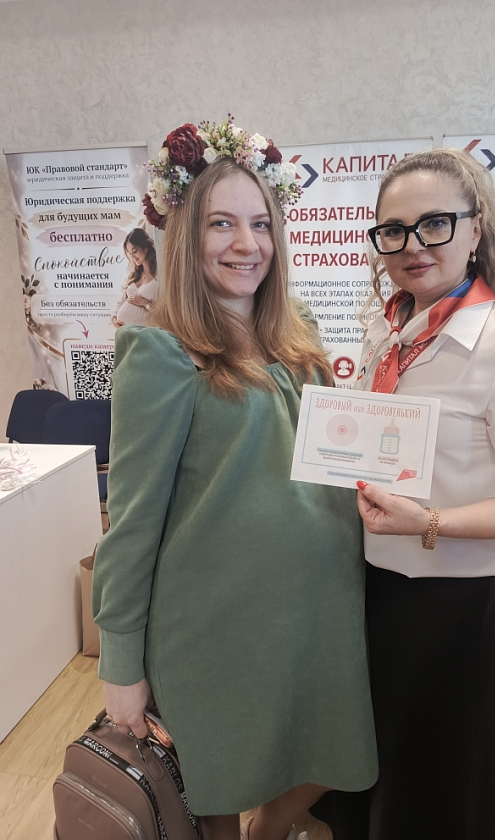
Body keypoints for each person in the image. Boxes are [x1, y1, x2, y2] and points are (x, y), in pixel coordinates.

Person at [92, 119, 377, 840]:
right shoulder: (159, 351)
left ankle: (268, 830)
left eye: (260, 224)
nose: (246, 244)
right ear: (186, 236)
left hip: (319, 610)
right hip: (213, 625)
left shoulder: (297, 329)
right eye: (221, 223)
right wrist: (120, 662)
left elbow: (329, 452)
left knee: (334, 755)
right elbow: (131, 519)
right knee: (210, 789)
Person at [321, 148, 495, 840]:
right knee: (366, 772)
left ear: (475, 228)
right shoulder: (387, 329)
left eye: (434, 224)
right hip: (365, 586)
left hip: (446, 606)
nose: (413, 245)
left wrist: (429, 520)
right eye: (393, 230)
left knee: (429, 789)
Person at [112, 227, 158, 327]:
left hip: (143, 333)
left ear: (145, 247)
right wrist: (114, 319)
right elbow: (120, 302)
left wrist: (144, 303)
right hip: (124, 332)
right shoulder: (133, 276)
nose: (132, 257)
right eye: (129, 253)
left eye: (135, 251)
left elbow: (164, 312)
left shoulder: (158, 278)